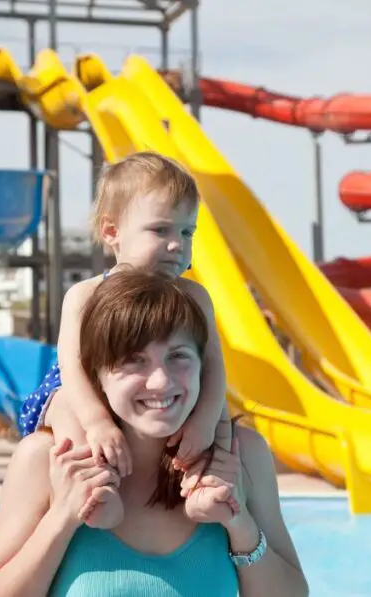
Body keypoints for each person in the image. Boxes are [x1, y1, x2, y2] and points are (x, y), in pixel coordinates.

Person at [0, 271, 308, 597]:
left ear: (203, 366)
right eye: (134, 360)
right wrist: (62, 517)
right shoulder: (48, 460)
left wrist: (240, 523)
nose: (161, 381)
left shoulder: (241, 455)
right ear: (96, 374)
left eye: (178, 356)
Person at [17, 151, 232, 525]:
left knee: (220, 411)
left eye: (186, 232)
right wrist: (97, 420)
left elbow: (213, 365)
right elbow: (70, 365)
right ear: (112, 231)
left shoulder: (195, 297)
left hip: (145, 394)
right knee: (69, 407)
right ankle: (97, 493)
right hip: (79, 390)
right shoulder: (85, 295)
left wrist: (206, 420)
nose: (176, 244)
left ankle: (209, 486)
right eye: (160, 230)